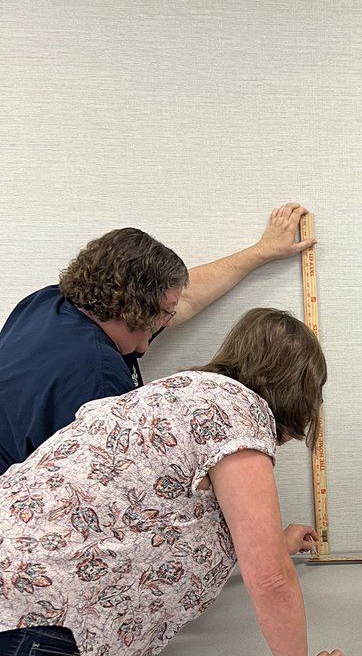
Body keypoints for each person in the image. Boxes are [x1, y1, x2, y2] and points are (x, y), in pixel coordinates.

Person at [0, 307, 352, 656]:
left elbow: (161, 511)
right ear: (299, 387)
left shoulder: (183, 393)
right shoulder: (239, 417)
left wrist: (273, 542)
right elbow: (272, 580)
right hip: (32, 622)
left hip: (23, 596)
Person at [0, 202, 314, 473]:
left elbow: (187, 299)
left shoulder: (47, 302)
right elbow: (110, 488)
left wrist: (263, 251)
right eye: (164, 312)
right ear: (134, 309)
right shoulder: (98, 378)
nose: (169, 320)